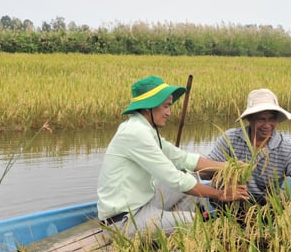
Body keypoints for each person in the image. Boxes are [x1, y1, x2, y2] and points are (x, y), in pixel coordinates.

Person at [96, 75, 249, 236]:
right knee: (196, 223)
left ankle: (179, 227)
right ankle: (190, 228)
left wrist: (228, 166)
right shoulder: (135, 133)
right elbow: (173, 179)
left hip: (142, 204)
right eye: (166, 106)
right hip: (124, 221)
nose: (169, 112)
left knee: (190, 175)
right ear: (149, 106)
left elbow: (182, 159)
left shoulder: (144, 129)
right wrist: (220, 194)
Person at [207, 88, 291, 211]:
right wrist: (230, 168)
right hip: (228, 206)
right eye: (261, 119)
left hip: (264, 210)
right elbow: (203, 172)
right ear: (250, 118)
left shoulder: (286, 148)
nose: (267, 125)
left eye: (271, 119)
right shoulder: (231, 139)